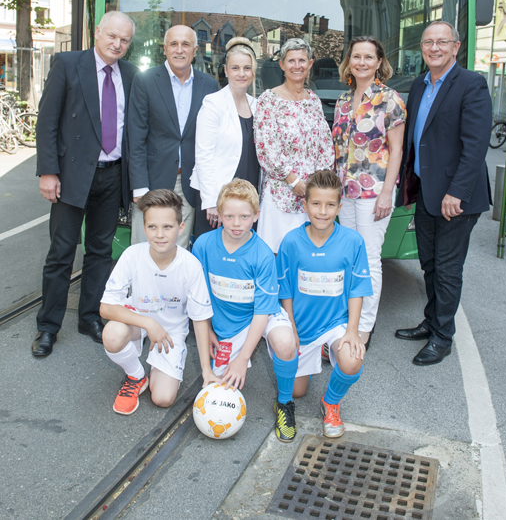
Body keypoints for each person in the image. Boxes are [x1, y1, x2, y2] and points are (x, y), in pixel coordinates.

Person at [33, 11, 138, 357]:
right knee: (61, 253)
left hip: (112, 175)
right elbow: (47, 121)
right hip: (72, 176)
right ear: (97, 33)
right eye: (112, 36)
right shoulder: (67, 64)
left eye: (124, 40)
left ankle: (89, 316)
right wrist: (48, 171)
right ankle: (48, 326)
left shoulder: (131, 74)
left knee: (100, 251)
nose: (117, 44)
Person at [395, 21, 492, 365]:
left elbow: (475, 146)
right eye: (427, 43)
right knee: (430, 263)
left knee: (448, 268)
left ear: (456, 46)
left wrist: (457, 193)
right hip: (426, 191)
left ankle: (442, 337)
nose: (434, 48)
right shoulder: (420, 86)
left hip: (456, 197)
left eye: (442, 42)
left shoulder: (471, 84)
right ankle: (431, 320)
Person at [193, 179, 299, 442]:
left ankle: (285, 403)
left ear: (256, 216)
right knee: (217, 387)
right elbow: (199, 298)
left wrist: (242, 359)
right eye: (229, 216)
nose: (236, 223)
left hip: (260, 316)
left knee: (286, 344)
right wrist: (207, 330)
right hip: (227, 325)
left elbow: (262, 312)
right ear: (219, 213)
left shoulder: (262, 255)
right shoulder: (204, 246)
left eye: (244, 216)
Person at [100, 189, 218, 414]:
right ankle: (136, 375)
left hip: (170, 331)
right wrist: (148, 323)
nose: (160, 234)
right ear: (144, 228)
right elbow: (106, 307)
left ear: (181, 228)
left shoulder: (191, 265)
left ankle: (159, 367)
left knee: (163, 398)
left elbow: (200, 319)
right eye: (152, 227)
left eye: (168, 227)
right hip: (138, 323)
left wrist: (206, 371)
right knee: (112, 335)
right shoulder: (132, 255)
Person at [276, 170, 372, 438]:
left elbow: (357, 290)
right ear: (304, 205)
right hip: (303, 328)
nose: (322, 211)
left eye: (330, 205)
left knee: (353, 359)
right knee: (297, 391)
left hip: (335, 324)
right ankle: (291, 390)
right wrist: (291, 328)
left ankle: (331, 402)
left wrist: (353, 330)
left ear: (340, 207)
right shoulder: (291, 242)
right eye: (316, 204)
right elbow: (285, 291)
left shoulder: (353, 242)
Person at [332, 36, 406, 348]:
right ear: (348, 62)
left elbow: (397, 150)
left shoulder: (390, 100)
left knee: (369, 259)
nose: (361, 62)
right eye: (356, 57)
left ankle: (364, 327)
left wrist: (388, 192)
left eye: (368, 57)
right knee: (348, 258)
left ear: (379, 63)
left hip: (374, 192)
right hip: (345, 193)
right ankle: (348, 321)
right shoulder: (342, 101)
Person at [128, 25, 218, 249]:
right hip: (152, 180)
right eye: (174, 44)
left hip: (189, 181)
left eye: (186, 44)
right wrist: (139, 186)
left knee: (178, 247)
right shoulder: (145, 81)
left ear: (195, 50)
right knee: (145, 246)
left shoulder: (209, 85)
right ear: (165, 49)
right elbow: (135, 137)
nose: (180, 50)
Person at [254, 38, 334, 254]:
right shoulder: (268, 100)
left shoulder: (314, 100)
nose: (297, 66)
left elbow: (325, 145)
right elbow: (266, 148)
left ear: (310, 64)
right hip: (281, 193)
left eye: (302, 60)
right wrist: (295, 182)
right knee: (276, 254)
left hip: (312, 195)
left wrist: (316, 184)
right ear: (282, 65)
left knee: (307, 256)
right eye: (291, 61)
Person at [190, 37, 259, 238]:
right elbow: (203, 155)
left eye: (247, 68)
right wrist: (211, 201)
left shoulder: (258, 105)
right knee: (214, 252)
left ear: (253, 72)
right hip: (218, 195)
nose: (241, 73)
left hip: (249, 195)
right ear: (226, 70)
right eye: (235, 68)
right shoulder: (213, 103)